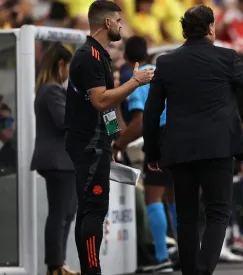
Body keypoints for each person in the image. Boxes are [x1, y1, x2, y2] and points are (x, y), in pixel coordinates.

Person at [142, 5, 243, 275]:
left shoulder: (166, 62)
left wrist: (152, 152)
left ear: (183, 31)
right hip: (218, 149)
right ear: (211, 28)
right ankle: (203, 272)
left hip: (180, 150)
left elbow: (152, 113)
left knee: (186, 217)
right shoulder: (226, 58)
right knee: (218, 214)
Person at [64, 1, 154, 274]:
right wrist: (135, 82)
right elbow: (101, 102)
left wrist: (115, 138)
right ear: (106, 23)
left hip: (97, 143)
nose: (120, 25)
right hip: (88, 145)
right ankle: (92, 270)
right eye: (118, 20)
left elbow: (109, 111)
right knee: (93, 210)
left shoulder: (99, 55)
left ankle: (89, 269)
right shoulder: (89, 56)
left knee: (89, 210)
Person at [112, 36, 173, 273]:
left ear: (126, 56)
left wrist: (119, 144)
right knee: (174, 197)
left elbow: (138, 122)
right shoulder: (161, 72)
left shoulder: (139, 80)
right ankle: (187, 254)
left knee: (153, 197)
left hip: (159, 139)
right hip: (178, 138)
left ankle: (161, 258)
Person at [30, 43, 78, 275]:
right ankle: (54, 266)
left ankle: (60, 263)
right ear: (61, 64)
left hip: (63, 161)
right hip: (57, 161)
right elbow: (64, 121)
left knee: (66, 212)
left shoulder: (51, 90)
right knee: (60, 213)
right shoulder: (51, 90)